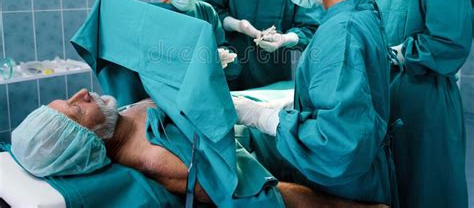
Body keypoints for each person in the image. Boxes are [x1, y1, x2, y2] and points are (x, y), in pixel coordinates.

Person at [232, 0, 397, 206]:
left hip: (345, 185)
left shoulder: (342, 32)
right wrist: (293, 104)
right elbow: (351, 96)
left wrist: (264, 118)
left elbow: (338, 141)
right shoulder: (359, 10)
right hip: (362, 171)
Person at [11, 89, 389, 208]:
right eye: (78, 108)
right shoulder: (160, 159)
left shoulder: (121, 118)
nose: (82, 93)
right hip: (278, 148)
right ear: (89, 141)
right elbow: (263, 197)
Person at [354, 0, 472, 207]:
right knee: (397, 186)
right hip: (390, 98)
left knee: (430, 187)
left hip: (428, 103)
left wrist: (404, 52)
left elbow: (450, 43)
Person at [152, 0, 241, 81]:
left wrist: (224, 60)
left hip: (202, 88)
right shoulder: (153, 15)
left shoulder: (206, 12)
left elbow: (231, 62)